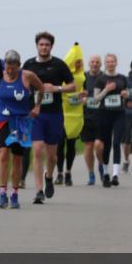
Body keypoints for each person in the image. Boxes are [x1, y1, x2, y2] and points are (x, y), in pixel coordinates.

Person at [21, 32, 76, 204]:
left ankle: (49, 177)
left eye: (47, 45)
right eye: (41, 44)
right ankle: (38, 190)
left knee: (52, 156)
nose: (44, 47)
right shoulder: (29, 65)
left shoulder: (59, 65)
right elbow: (22, 85)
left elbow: (73, 86)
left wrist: (57, 88)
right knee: (37, 150)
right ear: (36, 45)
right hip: (35, 114)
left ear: (51, 46)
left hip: (54, 114)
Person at [0, 50, 42, 209]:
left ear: (18, 66)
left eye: (13, 66)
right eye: (8, 65)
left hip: (21, 121)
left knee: (17, 158)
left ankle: (14, 193)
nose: (10, 69)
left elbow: (41, 88)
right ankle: (2, 193)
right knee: (3, 154)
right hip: (2, 120)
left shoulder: (27, 76)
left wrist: (37, 107)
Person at [93, 53, 128, 187]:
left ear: (116, 63)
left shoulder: (122, 78)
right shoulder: (100, 79)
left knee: (116, 143)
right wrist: (106, 89)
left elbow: (127, 94)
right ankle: (106, 173)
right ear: (105, 64)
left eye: (112, 61)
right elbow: (96, 98)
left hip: (119, 113)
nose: (110, 64)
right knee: (106, 144)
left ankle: (115, 175)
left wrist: (126, 94)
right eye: (108, 62)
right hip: (104, 114)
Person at [55, 42, 86, 186]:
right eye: (76, 62)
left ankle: (68, 172)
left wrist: (85, 95)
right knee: (60, 145)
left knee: (71, 145)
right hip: (63, 113)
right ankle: (60, 172)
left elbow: (88, 93)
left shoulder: (83, 78)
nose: (78, 64)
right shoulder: (63, 76)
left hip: (76, 115)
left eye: (80, 62)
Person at [80, 53, 104, 186]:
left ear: (100, 65)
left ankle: (101, 164)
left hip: (101, 117)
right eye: (92, 62)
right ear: (89, 64)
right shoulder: (83, 77)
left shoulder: (104, 78)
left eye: (97, 62)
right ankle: (91, 173)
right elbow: (76, 95)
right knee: (88, 147)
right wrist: (81, 98)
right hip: (86, 116)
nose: (94, 64)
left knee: (99, 147)